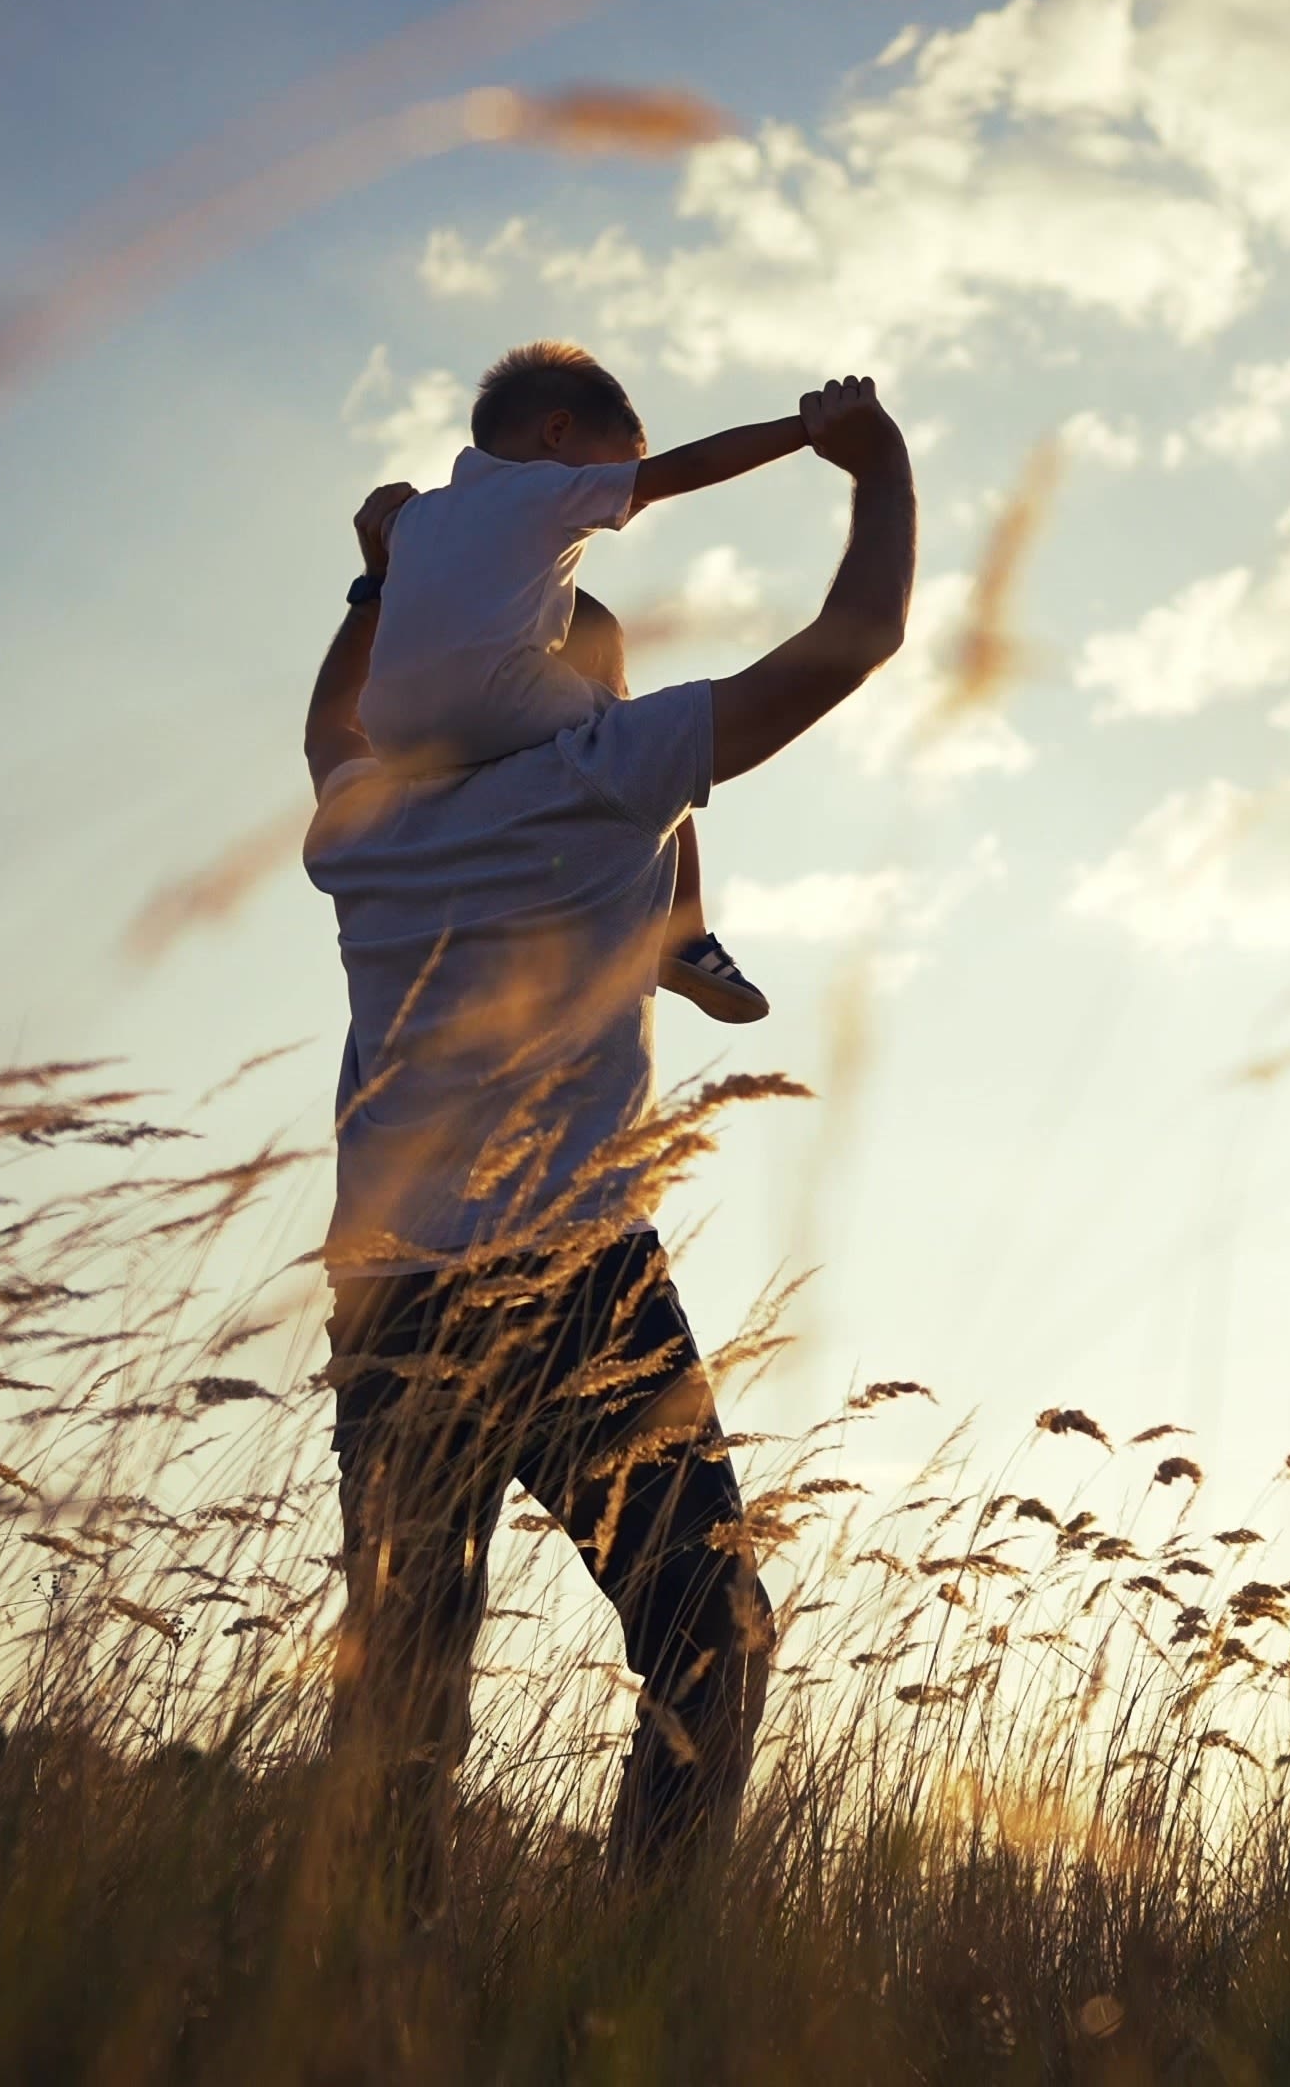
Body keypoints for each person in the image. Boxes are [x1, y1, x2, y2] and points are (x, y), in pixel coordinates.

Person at [296, 373, 916, 1892]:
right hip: (577, 1284)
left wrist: (384, 575)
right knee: (711, 1649)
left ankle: (367, 2021)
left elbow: (332, 713)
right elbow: (856, 643)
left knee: (398, 1707)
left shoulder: (352, 818)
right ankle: (623, 1991)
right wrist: (877, 465)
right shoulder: (601, 776)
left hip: (388, 1302)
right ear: (573, 684)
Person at [325, 339, 810, 1024]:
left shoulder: (413, 519)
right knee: (645, 733)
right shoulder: (546, 489)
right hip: (495, 698)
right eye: (621, 467)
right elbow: (693, 465)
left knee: (584, 654)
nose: (622, 495)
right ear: (557, 432)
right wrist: (808, 429)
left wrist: (373, 571)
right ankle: (687, 936)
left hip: (392, 734)